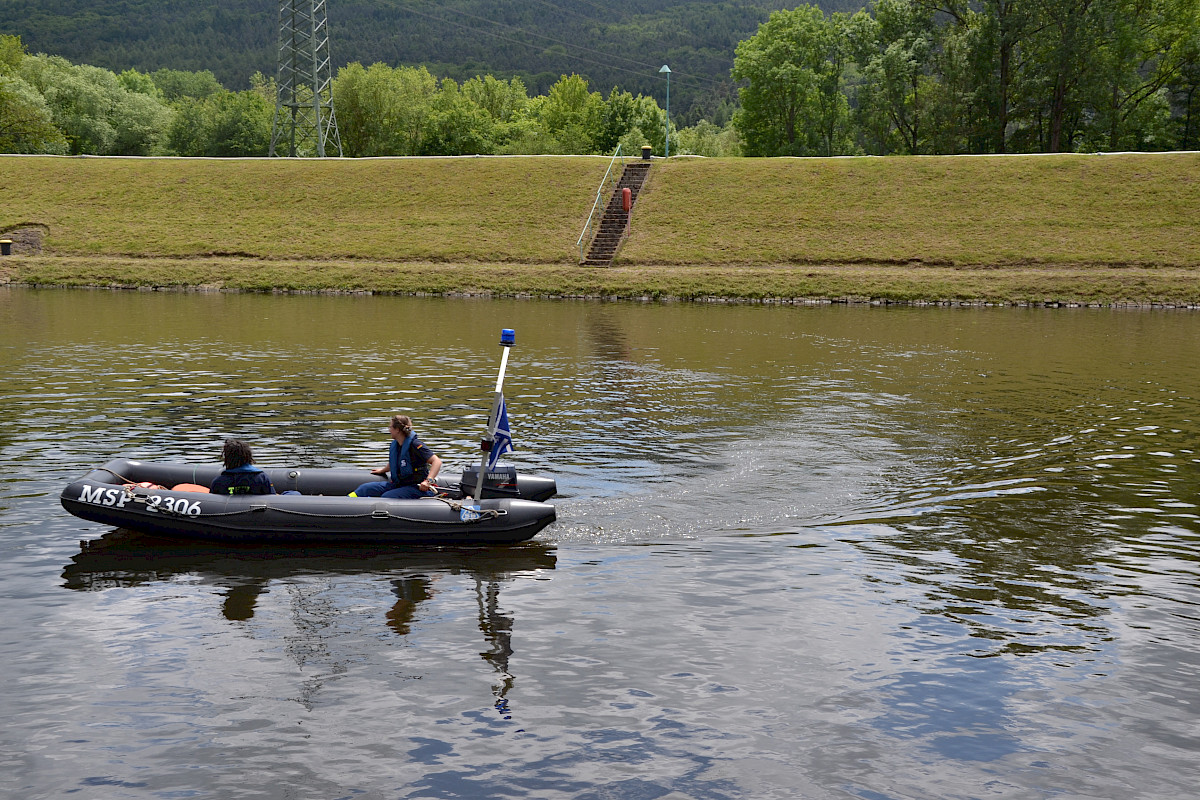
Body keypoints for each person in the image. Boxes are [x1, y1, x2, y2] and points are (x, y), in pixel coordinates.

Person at [350, 414, 442, 500]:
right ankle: (346, 503)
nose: (389, 430)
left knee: (388, 496)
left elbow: (436, 461)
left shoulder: (415, 445)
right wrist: (383, 470)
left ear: (397, 429)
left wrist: (428, 481)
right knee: (365, 488)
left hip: (416, 487)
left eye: (390, 427)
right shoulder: (397, 445)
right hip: (398, 484)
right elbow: (395, 463)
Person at [210, 438, 276, 495]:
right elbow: (273, 500)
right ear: (248, 457)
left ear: (228, 459)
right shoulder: (262, 478)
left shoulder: (218, 482)